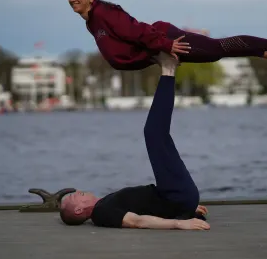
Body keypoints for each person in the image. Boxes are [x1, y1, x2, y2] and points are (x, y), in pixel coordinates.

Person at [59, 52, 210, 230]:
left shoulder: (104, 204)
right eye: (75, 197)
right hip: (175, 196)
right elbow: (137, 221)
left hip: (175, 199)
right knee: (154, 134)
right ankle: (168, 69)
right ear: (78, 210)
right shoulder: (102, 213)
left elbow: (146, 208)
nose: (77, 192)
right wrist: (180, 223)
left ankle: (168, 70)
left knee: (155, 134)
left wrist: (186, 210)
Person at [67, 0, 267, 71]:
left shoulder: (104, 12)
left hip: (165, 40)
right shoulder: (92, 21)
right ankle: (264, 51)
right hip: (161, 45)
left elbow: (134, 29)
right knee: (215, 51)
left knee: (217, 48)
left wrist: (166, 45)